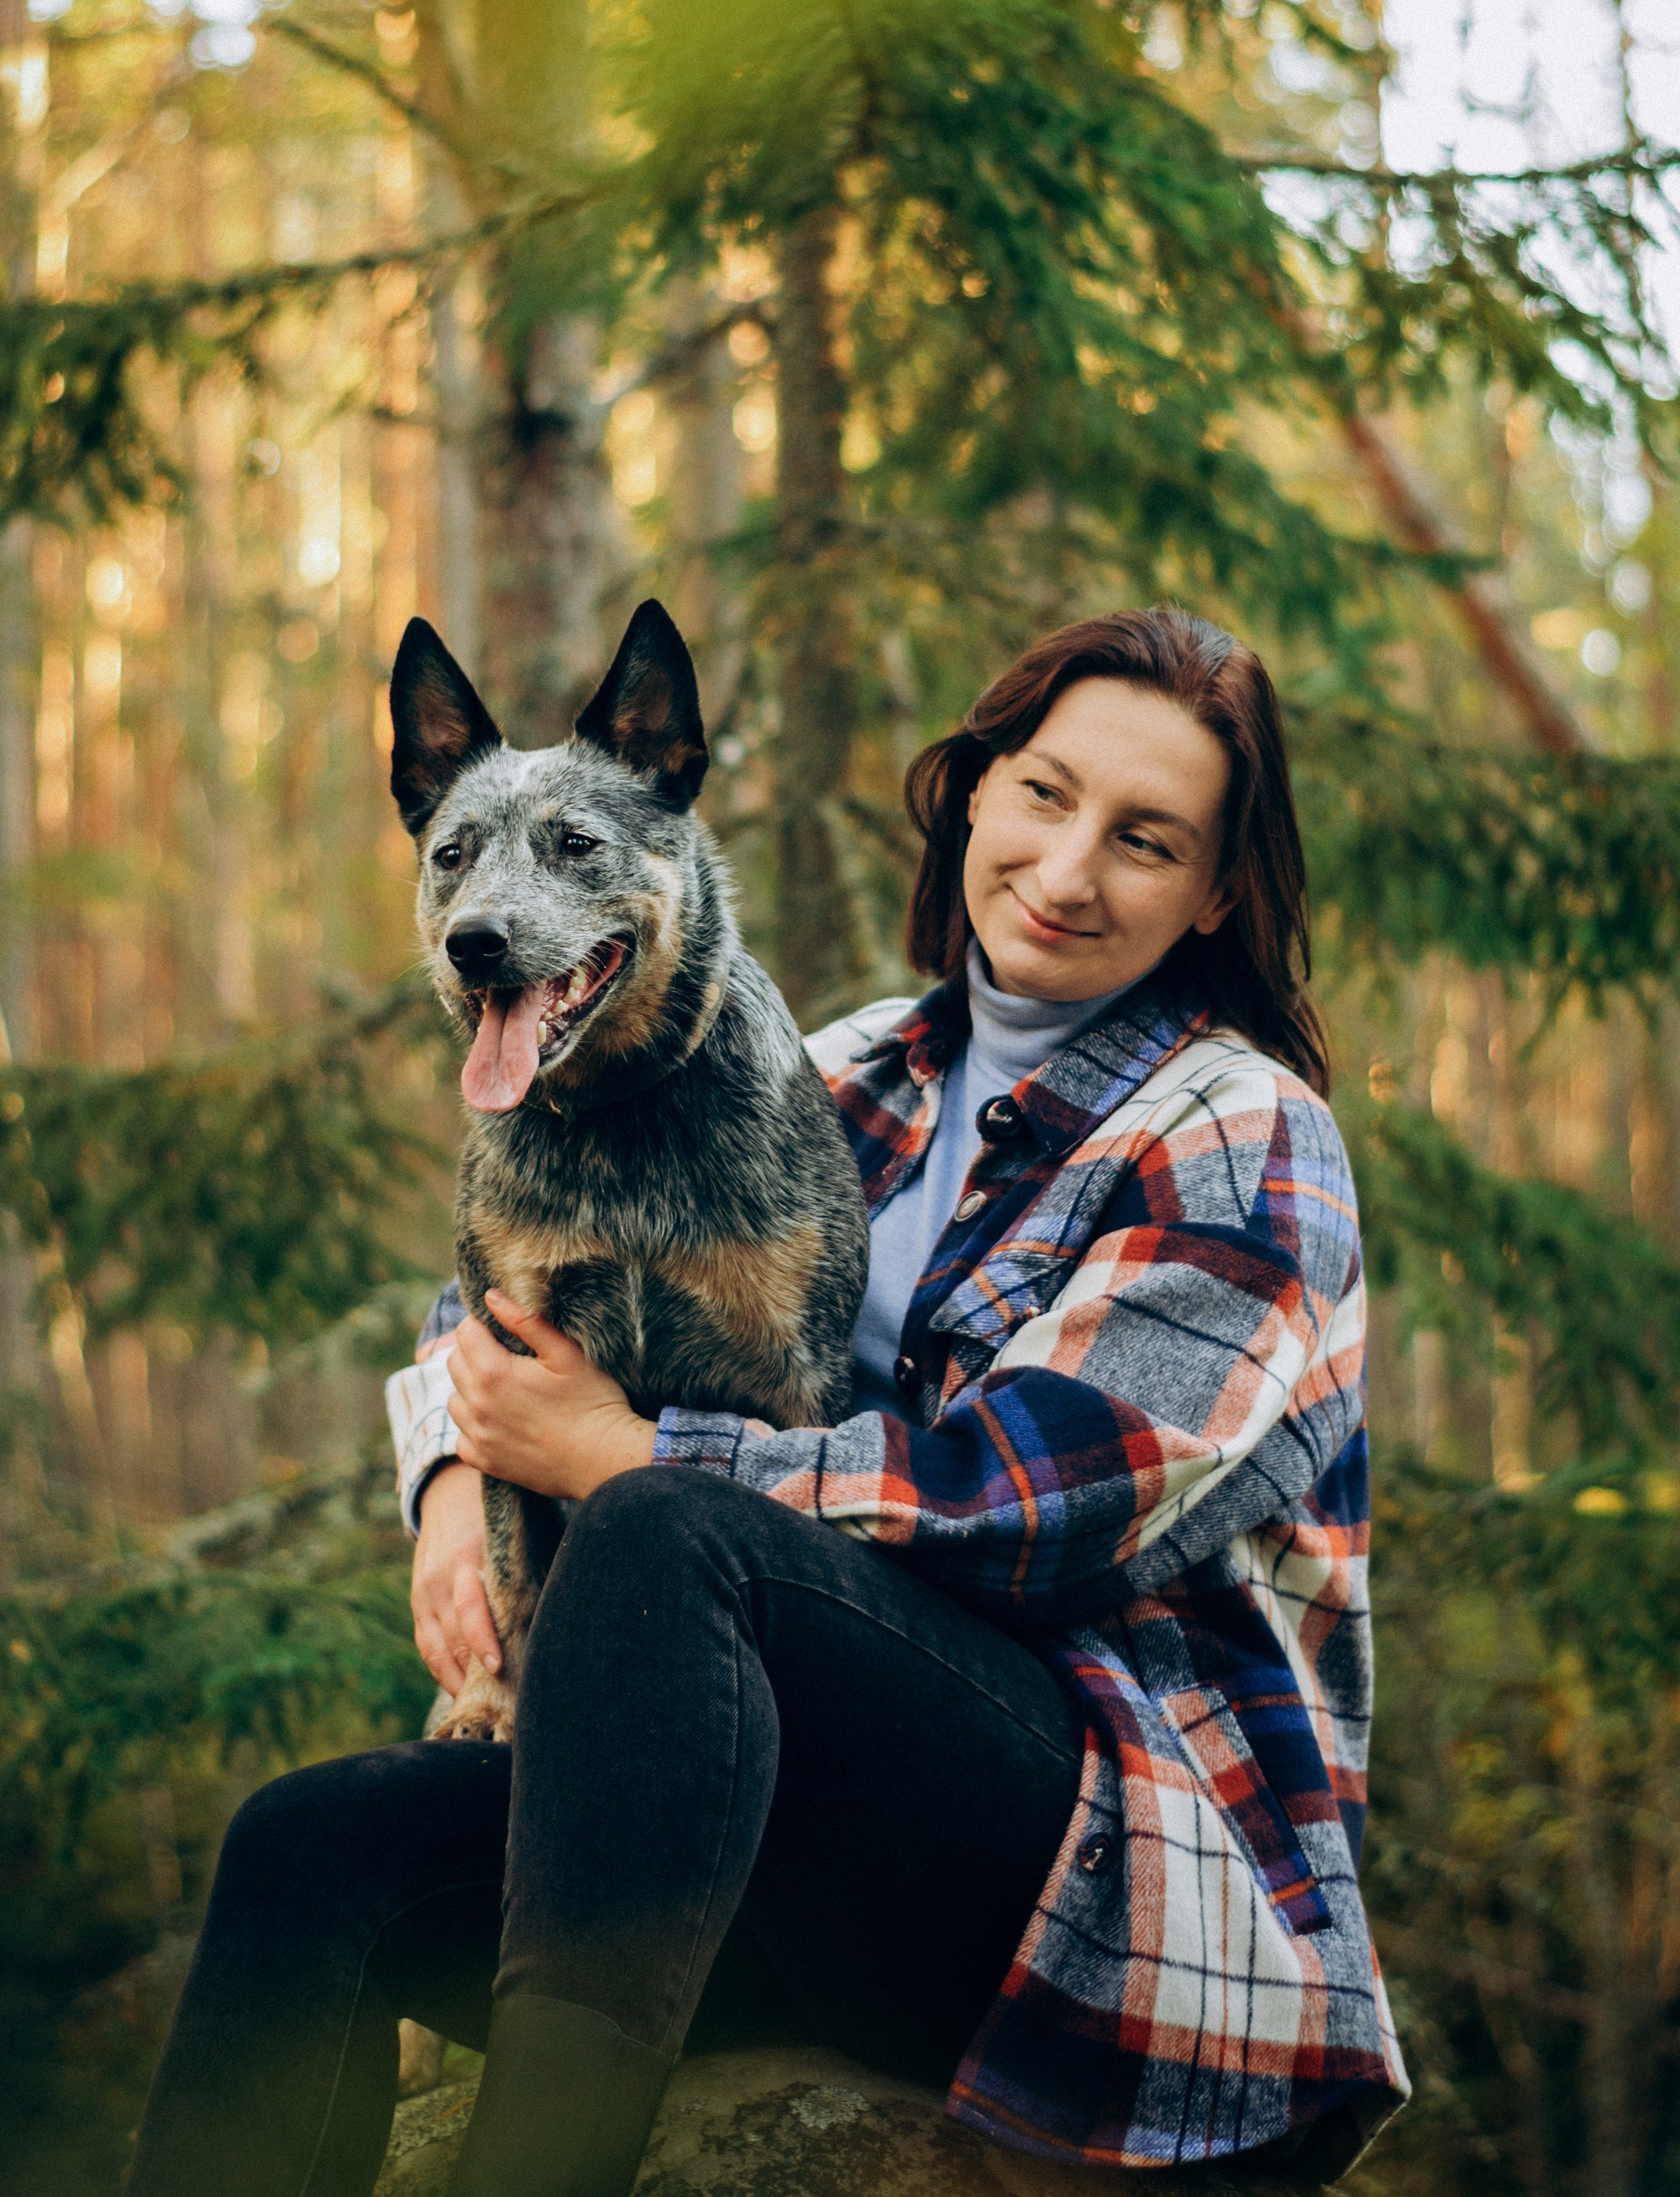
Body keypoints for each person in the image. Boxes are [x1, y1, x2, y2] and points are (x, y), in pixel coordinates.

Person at [128, 608, 1408, 2197]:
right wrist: (452, 1466)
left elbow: (1036, 1510)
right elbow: (513, 1291)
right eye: (1044, 796)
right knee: (310, 1852)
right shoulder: (848, 1068)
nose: (1068, 869)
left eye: (1144, 840)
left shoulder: (1245, 1130)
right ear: (975, 794)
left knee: (674, 1522)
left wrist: (625, 1456)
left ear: (1219, 892)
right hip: (782, 1832)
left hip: (1104, 1877)